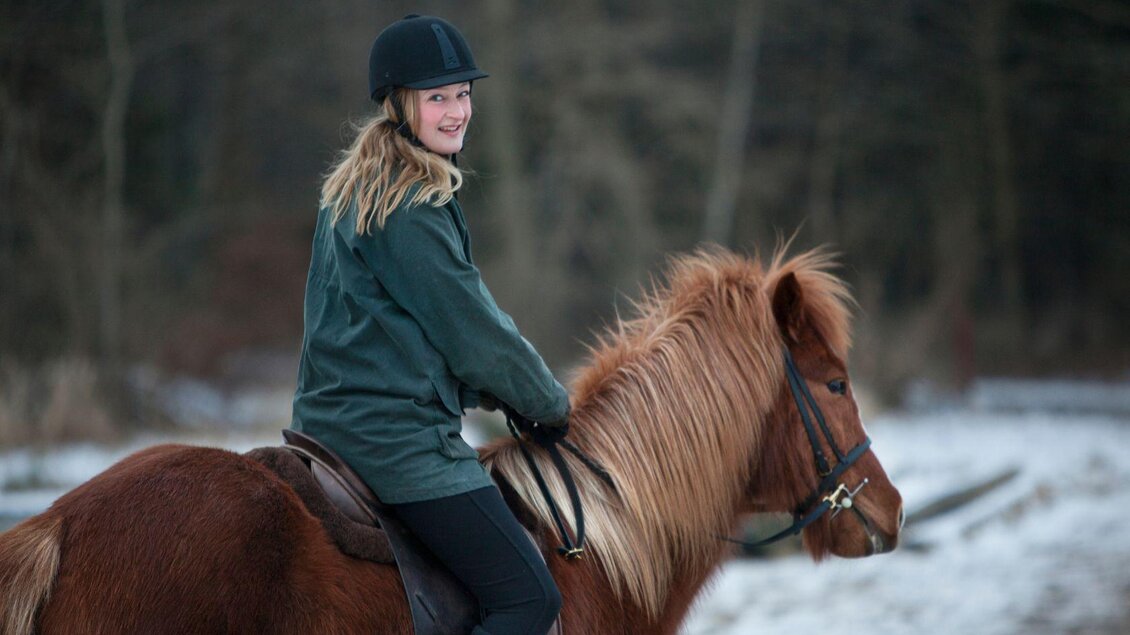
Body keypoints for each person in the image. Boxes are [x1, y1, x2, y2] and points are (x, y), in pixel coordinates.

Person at [290, 14, 569, 635]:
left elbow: (396, 333)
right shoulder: (409, 202)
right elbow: (473, 331)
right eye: (436, 97)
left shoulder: (358, 188)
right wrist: (546, 402)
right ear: (398, 105)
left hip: (331, 423)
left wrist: (494, 395)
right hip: (395, 443)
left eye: (463, 94)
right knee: (530, 600)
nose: (457, 111)